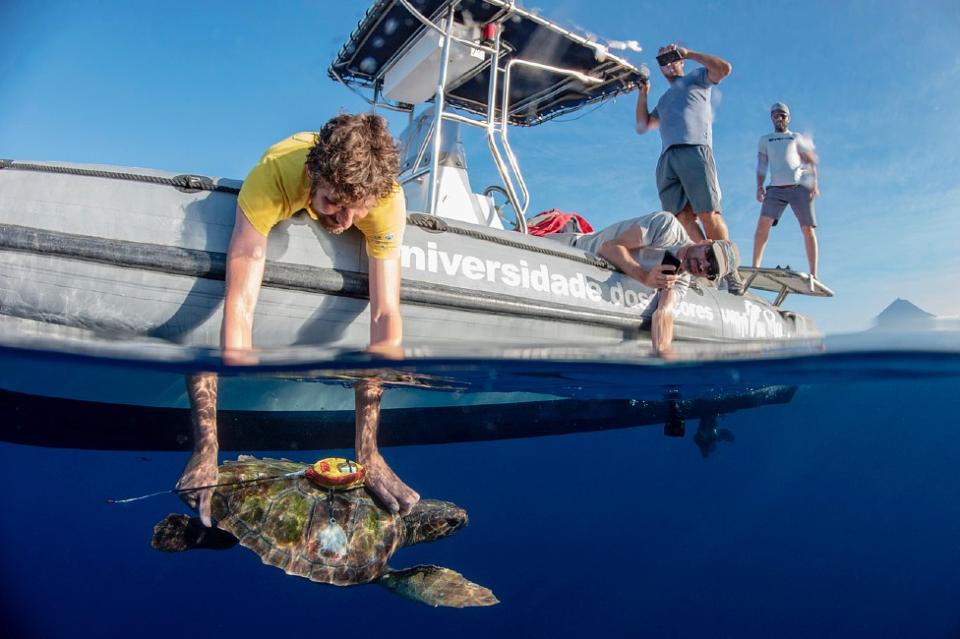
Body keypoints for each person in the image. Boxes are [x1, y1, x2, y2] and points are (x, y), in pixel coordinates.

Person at [177, 113, 420, 524]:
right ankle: (203, 450)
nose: (342, 222)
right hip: (286, 180)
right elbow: (240, 300)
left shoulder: (388, 202)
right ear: (313, 174)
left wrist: (369, 455)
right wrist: (208, 449)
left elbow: (384, 314)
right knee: (224, 343)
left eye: (355, 212)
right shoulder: (276, 174)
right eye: (332, 203)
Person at [548, 211, 739, 355]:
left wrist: (664, 352)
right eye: (709, 255)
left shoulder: (680, 279)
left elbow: (663, 313)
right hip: (567, 249)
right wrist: (644, 277)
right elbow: (609, 247)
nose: (703, 264)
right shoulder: (667, 227)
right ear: (705, 242)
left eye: (711, 270)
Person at [634, 43, 743, 294]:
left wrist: (691, 54)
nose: (668, 63)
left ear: (681, 60)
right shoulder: (664, 99)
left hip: (695, 148)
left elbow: (724, 69)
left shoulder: (697, 78)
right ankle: (702, 266)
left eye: (672, 58)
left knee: (708, 213)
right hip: (668, 157)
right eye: (663, 60)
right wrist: (644, 93)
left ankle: (730, 271)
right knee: (681, 218)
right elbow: (643, 125)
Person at [752, 102, 820, 277]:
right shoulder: (765, 139)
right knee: (762, 226)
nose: (779, 117)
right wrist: (759, 186)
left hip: (798, 188)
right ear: (771, 117)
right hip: (775, 189)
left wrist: (814, 184)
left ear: (788, 118)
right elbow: (762, 164)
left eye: (782, 115)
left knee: (807, 229)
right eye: (775, 115)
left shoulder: (795, 137)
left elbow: (810, 161)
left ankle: (814, 273)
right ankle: (755, 268)